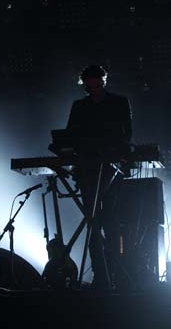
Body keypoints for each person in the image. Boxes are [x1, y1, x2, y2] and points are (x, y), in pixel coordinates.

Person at [66, 65, 132, 289]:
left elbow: (127, 133)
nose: (92, 88)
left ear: (103, 81)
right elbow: (70, 136)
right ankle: (101, 276)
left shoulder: (119, 102)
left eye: (95, 83)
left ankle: (115, 275)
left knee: (111, 223)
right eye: (88, 84)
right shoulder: (79, 106)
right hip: (88, 168)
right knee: (93, 223)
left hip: (111, 167)